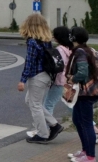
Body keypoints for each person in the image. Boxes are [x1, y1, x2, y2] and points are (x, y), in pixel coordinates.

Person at [18, 14, 63, 144]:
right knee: (30, 101)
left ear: (29, 25)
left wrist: (22, 80)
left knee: (35, 105)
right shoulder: (46, 40)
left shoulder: (32, 41)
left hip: (37, 76)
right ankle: (54, 125)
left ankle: (43, 134)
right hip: (47, 76)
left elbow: (29, 62)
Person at [66, 27, 98, 162]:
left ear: (73, 38)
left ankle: (90, 156)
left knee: (85, 123)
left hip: (85, 92)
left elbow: (83, 72)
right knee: (78, 120)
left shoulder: (79, 52)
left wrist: (73, 78)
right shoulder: (88, 49)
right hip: (88, 91)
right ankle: (85, 151)